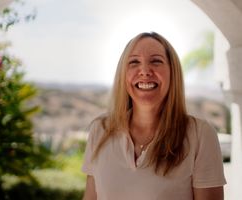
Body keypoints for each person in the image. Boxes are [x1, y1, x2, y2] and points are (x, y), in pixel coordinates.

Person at [82, 32, 226, 200]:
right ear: (123, 74)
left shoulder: (200, 135)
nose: (144, 71)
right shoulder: (101, 130)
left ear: (173, 72)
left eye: (156, 61)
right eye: (134, 62)